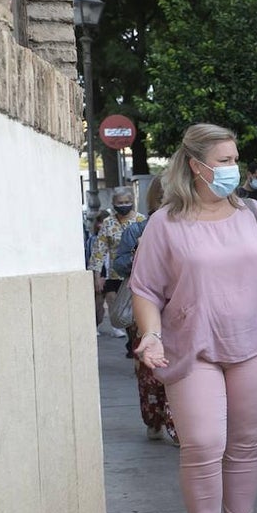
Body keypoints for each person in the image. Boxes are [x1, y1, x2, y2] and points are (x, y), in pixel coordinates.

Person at [129, 123, 257, 513]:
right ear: (196, 165)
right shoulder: (166, 223)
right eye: (223, 160)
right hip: (191, 347)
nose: (232, 168)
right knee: (203, 443)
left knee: (244, 446)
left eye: (234, 158)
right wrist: (152, 336)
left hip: (255, 345)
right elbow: (145, 289)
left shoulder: (253, 214)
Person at [114, 179, 178, 447]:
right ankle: (154, 420)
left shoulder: (188, 225)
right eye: (161, 194)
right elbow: (120, 264)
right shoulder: (137, 228)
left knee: (178, 368)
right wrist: (139, 250)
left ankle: (177, 425)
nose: (165, 197)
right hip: (145, 308)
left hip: (179, 309)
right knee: (150, 372)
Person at [89, 188, 146, 340]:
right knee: (115, 303)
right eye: (120, 203)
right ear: (113, 204)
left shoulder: (141, 221)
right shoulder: (108, 223)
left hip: (134, 273)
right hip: (114, 273)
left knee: (133, 309)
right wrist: (96, 275)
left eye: (127, 202)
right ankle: (120, 328)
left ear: (132, 202)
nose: (123, 205)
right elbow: (99, 250)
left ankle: (132, 337)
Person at [87, 210, 111, 333]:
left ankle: (114, 327)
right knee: (98, 303)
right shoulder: (94, 239)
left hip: (111, 274)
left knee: (112, 302)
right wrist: (98, 276)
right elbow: (94, 258)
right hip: (100, 275)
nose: (102, 225)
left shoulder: (112, 237)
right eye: (100, 222)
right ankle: (95, 325)